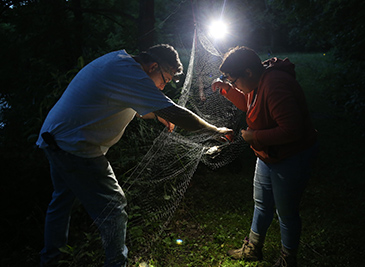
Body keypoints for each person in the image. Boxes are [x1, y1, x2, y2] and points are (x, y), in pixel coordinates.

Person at [37, 44, 232, 267]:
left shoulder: (120, 62)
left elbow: (134, 104)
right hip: (76, 147)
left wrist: (157, 115)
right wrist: (215, 130)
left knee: (61, 201)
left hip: (56, 139)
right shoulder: (130, 73)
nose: (162, 87)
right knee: (114, 208)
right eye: (165, 80)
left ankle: (50, 259)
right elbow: (176, 113)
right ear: (153, 66)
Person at [212, 46, 318, 266]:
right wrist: (227, 90)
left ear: (249, 72)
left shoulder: (275, 85)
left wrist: (255, 137)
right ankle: (253, 248)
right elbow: (250, 103)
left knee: (286, 213)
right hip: (267, 154)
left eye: (234, 81)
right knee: (261, 204)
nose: (234, 85)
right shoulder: (257, 81)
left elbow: (292, 130)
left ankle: (288, 259)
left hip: (290, 156)